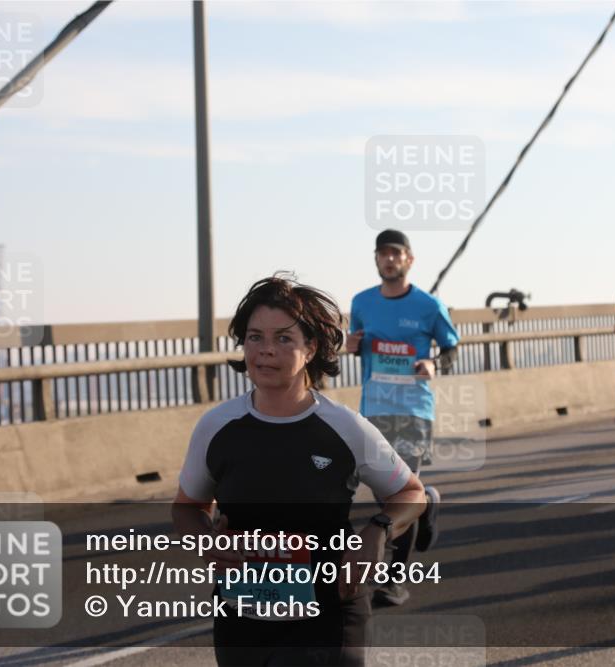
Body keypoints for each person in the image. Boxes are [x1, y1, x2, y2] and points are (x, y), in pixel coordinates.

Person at [172, 275, 426, 666]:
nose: (266, 351)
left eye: (283, 339)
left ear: (311, 348)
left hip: (330, 611)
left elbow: (411, 493)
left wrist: (379, 530)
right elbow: (188, 506)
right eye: (255, 337)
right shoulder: (216, 426)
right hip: (242, 613)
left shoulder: (344, 427)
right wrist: (208, 543)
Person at [346, 229, 460, 606]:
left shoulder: (429, 306)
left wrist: (433, 362)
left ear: (409, 259)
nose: (389, 260)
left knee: (396, 494)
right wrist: (350, 346)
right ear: (376, 260)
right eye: (383, 254)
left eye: (396, 254)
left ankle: (393, 581)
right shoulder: (361, 302)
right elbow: (354, 342)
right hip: (374, 410)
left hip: (413, 411)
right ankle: (426, 501)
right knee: (388, 496)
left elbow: (451, 348)